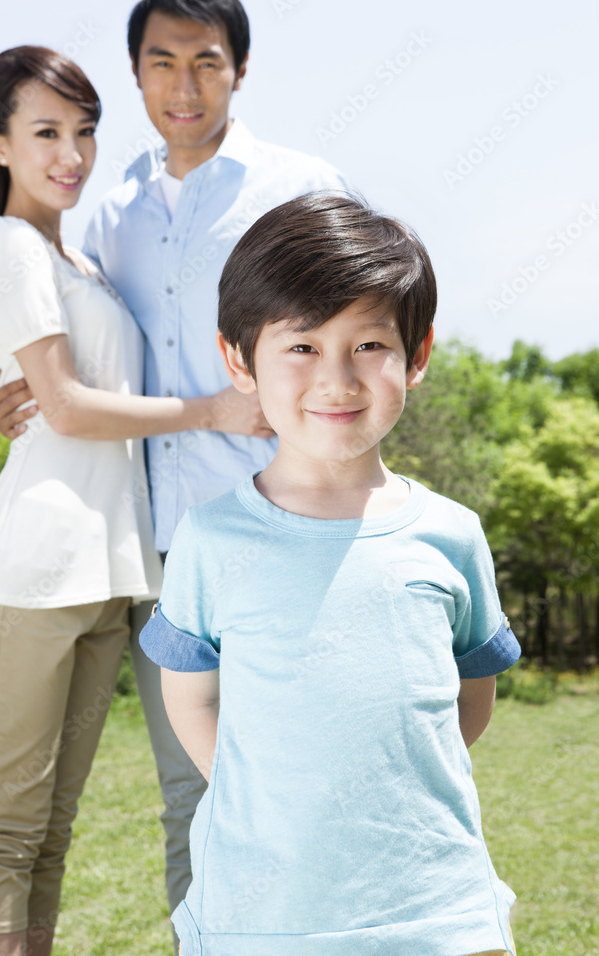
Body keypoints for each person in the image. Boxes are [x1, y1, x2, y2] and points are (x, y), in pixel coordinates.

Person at [0, 0, 349, 943]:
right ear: (136, 74)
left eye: (206, 62)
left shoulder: (300, 188)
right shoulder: (112, 216)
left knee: (301, 785)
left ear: (240, 70)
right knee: (193, 796)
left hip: (288, 533)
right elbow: (77, 356)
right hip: (168, 556)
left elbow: (368, 331)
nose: (183, 85)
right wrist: (12, 388)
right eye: (160, 62)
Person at [0, 44, 273, 956]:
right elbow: (71, 408)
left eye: (83, 131)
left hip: (98, 578)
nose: (70, 154)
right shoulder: (7, 244)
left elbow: (51, 391)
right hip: (24, 581)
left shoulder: (71, 258)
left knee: (50, 838)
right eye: (45, 132)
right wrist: (216, 410)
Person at [139, 191, 522, 956]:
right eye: (302, 347)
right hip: (261, 917)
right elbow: (191, 702)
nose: (337, 381)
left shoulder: (450, 535)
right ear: (238, 360)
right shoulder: (211, 537)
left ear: (416, 355)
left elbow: (466, 705)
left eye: (369, 346)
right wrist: (274, 794)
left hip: (436, 913)